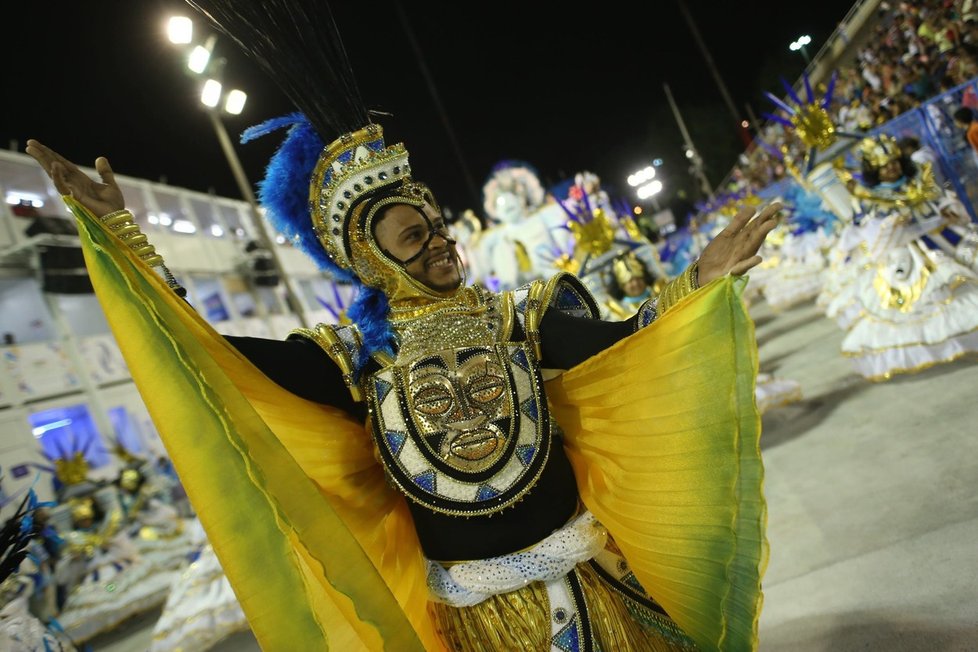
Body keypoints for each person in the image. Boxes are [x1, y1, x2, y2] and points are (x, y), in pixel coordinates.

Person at [26, 2, 780, 649]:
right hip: (481, 622)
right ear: (372, 261)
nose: (438, 241)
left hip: (596, 582)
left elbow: (627, 343)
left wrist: (698, 282)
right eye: (412, 237)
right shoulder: (354, 359)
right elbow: (213, 356)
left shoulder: (521, 315)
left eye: (435, 225)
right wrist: (127, 240)